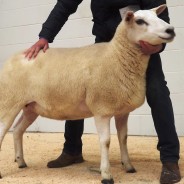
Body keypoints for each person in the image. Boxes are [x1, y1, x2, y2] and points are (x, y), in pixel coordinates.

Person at [24, 0, 181, 183]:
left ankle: (170, 160)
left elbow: (159, 15)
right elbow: (65, 4)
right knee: (77, 85)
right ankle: (72, 150)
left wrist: (159, 45)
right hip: (105, 42)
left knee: (157, 90)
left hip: (141, 45)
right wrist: (45, 36)